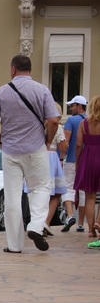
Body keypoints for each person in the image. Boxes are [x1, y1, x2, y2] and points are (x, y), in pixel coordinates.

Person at [0, 54, 60, 253]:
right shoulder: (41, 90)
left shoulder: (1, 92)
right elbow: (53, 120)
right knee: (40, 189)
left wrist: (0, 140)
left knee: (12, 197)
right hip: (36, 149)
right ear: (30, 69)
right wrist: (48, 140)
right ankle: (36, 226)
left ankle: (14, 245)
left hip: (10, 151)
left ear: (13, 69)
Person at [72, 95, 100, 244]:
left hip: (88, 158)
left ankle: (90, 230)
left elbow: (78, 145)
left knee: (90, 196)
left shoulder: (84, 123)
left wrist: (78, 162)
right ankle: (99, 221)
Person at [61, 95, 88, 233]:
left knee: (68, 188)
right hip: (87, 161)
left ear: (79, 106)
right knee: (83, 192)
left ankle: (70, 216)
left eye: (72, 105)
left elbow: (66, 141)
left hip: (72, 159)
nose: (70, 108)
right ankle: (81, 224)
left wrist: (61, 157)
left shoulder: (71, 120)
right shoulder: (91, 121)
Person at [43, 102, 68, 236]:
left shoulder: (38, 125)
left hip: (38, 157)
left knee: (39, 191)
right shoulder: (57, 127)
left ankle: (38, 221)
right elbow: (63, 147)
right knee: (56, 192)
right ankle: (46, 221)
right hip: (52, 158)